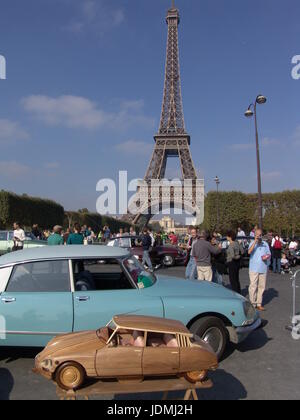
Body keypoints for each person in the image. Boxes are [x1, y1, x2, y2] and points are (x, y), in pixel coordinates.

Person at [248, 228, 271, 311]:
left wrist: (267, 257)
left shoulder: (265, 244)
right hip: (254, 268)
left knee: (262, 286)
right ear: (254, 235)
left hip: (263, 267)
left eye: (260, 235)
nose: (259, 236)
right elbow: (249, 252)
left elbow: (269, 253)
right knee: (253, 286)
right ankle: (252, 303)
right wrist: (255, 241)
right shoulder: (252, 243)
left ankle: (259, 303)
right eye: (257, 235)